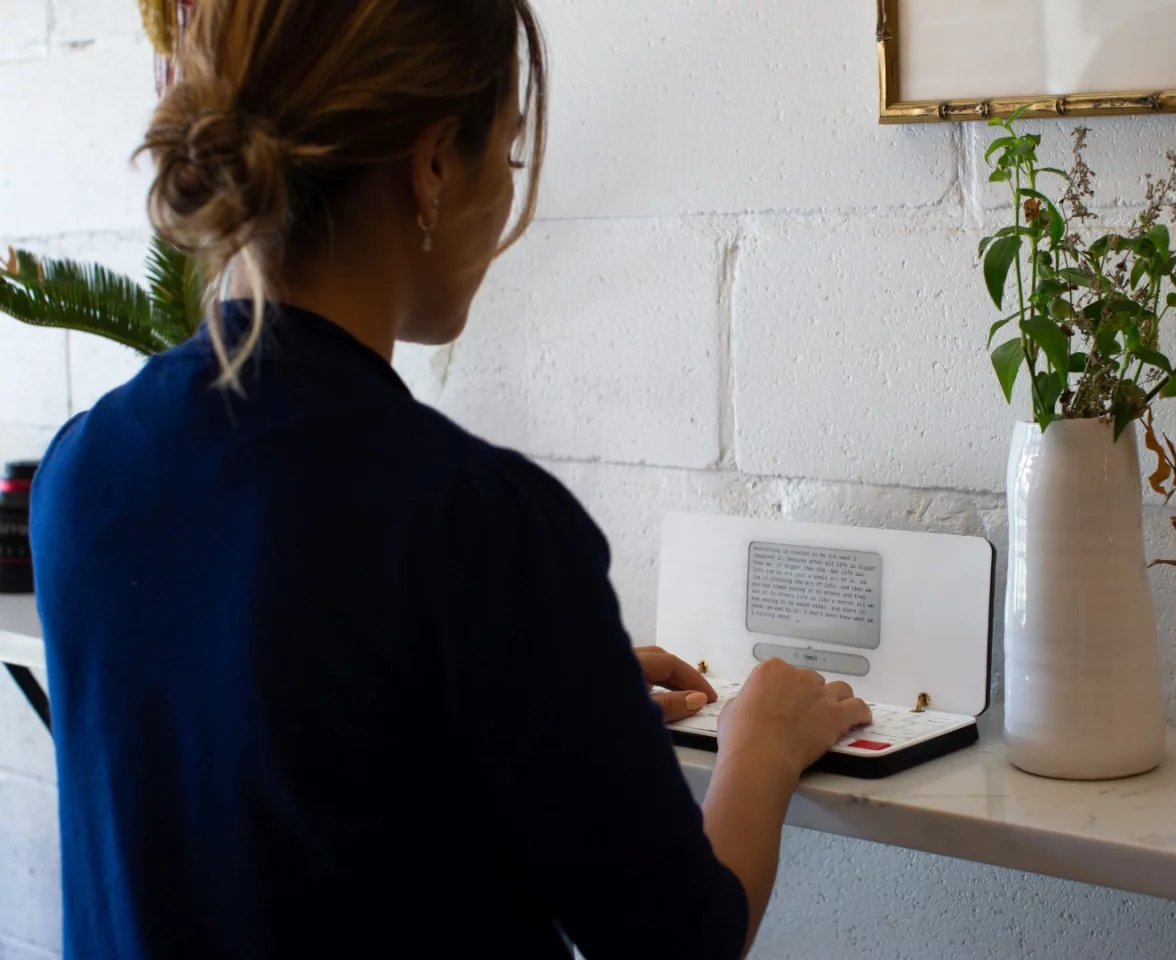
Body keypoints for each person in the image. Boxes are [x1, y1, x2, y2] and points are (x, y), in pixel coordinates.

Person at [28, 2, 872, 958]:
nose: (507, 193)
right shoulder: (467, 523)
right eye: (507, 154)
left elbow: (277, 753)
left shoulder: (83, 465)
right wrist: (760, 743)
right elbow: (680, 942)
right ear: (432, 164)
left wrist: (547, 687)